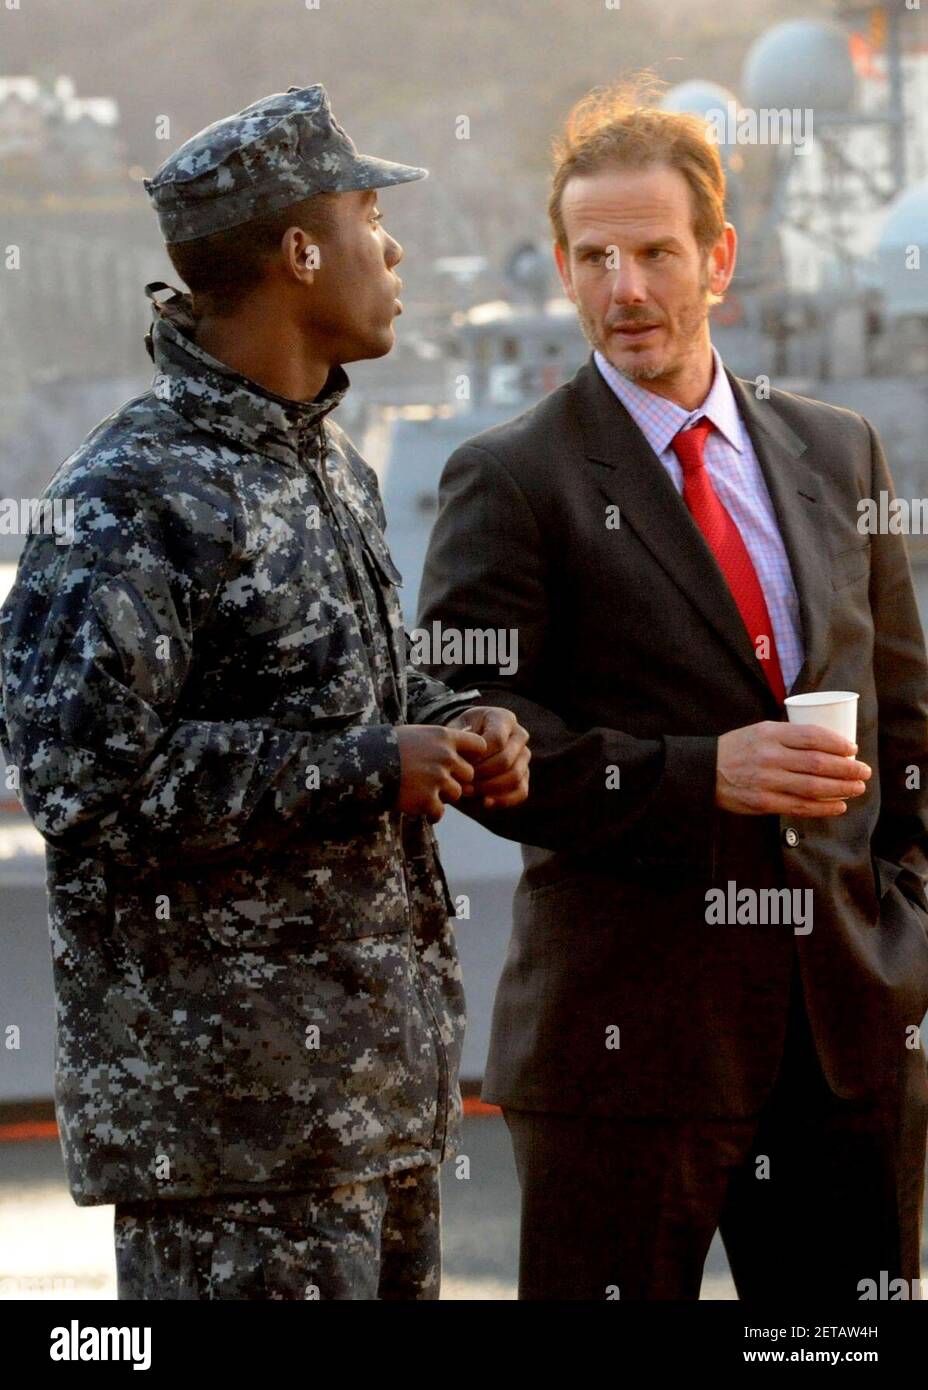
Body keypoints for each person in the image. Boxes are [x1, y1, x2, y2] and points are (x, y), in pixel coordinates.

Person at [0, 83, 529, 1301]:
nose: (393, 250)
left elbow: (361, 687)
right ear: (300, 252)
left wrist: (455, 725)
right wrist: (366, 766)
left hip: (378, 1112)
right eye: (367, 218)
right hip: (231, 1145)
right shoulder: (128, 494)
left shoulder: (329, 463)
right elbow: (82, 785)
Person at [417, 81, 928, 1300]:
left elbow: (905, 709)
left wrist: (907, 917)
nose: (625, 289)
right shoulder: (509, 475)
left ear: (718, 257)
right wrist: (705, 776)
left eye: (653, 253)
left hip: (846, 1039)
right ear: (561, 267)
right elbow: (463, 726)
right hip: (623, 1053)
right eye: (594, 258)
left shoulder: (839, 448)